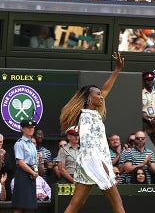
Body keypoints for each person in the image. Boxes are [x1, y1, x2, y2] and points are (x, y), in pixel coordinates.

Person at [59, 52, 125, 213]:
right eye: (97, 94)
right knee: (118, 204)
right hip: (95, 164)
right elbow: (89, 145)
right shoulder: (87, 118)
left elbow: (105, 89)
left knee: (76, 204)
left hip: (86, 165)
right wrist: (103, 165)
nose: (101, 96)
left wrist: (117, 70)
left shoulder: (91, 113)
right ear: (89, 98)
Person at [12, 119, 38, 213]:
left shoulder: (32, 144)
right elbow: (20, 162)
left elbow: (34, 160)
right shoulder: (19, 143)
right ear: (22, 129)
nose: (31, 129)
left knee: (29, 206)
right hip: (23, 174)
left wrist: (35, 172)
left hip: (32, 174)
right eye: (28, 127)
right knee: (19, 205)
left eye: (32, 127)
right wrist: (32, 172)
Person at [141, 71, 155, 148]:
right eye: (148, 80)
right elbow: (138, 110)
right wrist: (148, 120)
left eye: (151, 80)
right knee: (145, 144)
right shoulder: (140, 94)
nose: (150, 82)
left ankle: (154, 160)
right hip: (146, 122)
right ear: (144, 81)